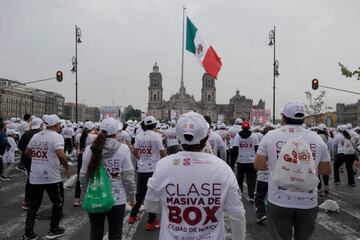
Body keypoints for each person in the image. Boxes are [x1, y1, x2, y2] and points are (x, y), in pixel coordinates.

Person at [144, 112, 246, 240]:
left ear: (178, 137)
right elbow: (237, 214)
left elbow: (150, 205)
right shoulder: (223, 168)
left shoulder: (163, 166)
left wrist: (173, 203)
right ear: (207, 136)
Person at [254, 101, 331, 240]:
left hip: (279, 199)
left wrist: (276, 165)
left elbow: (258, 165)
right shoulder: (317, 139)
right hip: (308, 202)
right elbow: (326, 170)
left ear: (283, 117)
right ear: (304, 119)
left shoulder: (270, 136)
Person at [80, 118, 136, 240]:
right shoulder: (123, 149)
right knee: (115, 235)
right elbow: (128, 177)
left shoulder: (90, 149)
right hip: (117, 198)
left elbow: (83, 175)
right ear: (116, 133)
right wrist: (131, 197)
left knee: (95, 234)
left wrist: (86, 190)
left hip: (96, 195)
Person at [23, 114, 70, 240]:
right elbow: (60, 155)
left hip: (35, 175)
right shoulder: (57, 137)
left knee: (33, 205)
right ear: (55, 125)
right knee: (58, 202)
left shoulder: (36, 135)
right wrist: (66, 167)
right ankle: (53, 229)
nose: (60, 126)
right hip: (51, 177)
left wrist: (39, 158)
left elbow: (27, 152)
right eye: (59, 124)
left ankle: (28, 233)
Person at [128, 116, 166, 231]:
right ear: (154, 125)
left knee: (140, 194)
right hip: (153, 169)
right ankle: (151, 221)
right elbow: (162, 152)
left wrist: (140, 159)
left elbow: (134, 151)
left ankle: (132, 216)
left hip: (142, 169)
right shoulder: (156, 136)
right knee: (153, 194)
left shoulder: (139, 136)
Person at [18, 117, 44, 210]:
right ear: (41, 125)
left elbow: (20, 146)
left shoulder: (26, 134)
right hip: (38, 159)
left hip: (27, 159)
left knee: (31, 177)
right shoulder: (40, 134)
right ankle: (30, 200)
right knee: (36, 179)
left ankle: (28, 199)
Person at [233, 121, 259, 203]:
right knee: (251, 179)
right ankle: (251, 196)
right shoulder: (254, 136)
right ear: (249, 127)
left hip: (241, 160)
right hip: (251, 160)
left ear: (242, 127)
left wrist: (233, 160)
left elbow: (235, 149)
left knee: (240, 178)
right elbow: (256, 149)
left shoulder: (238, 135)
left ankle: (239, 194)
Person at [73, 121, 96, 206]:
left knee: (80, 177)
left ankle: (76, 199)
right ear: (92, 129)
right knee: (92, 177)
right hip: (89, 158)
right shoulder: (93, 137)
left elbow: (76, 146)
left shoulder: (78, 136)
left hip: (80, 157)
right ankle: (91, 197)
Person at [316, 124, 331, 196]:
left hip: (318, 158)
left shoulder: (317, 137)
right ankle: (326, 188)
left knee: (318, 174)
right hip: (327, 158)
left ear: (318, 130)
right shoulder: (329, 138)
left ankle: (319, 190)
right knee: (325, 174)